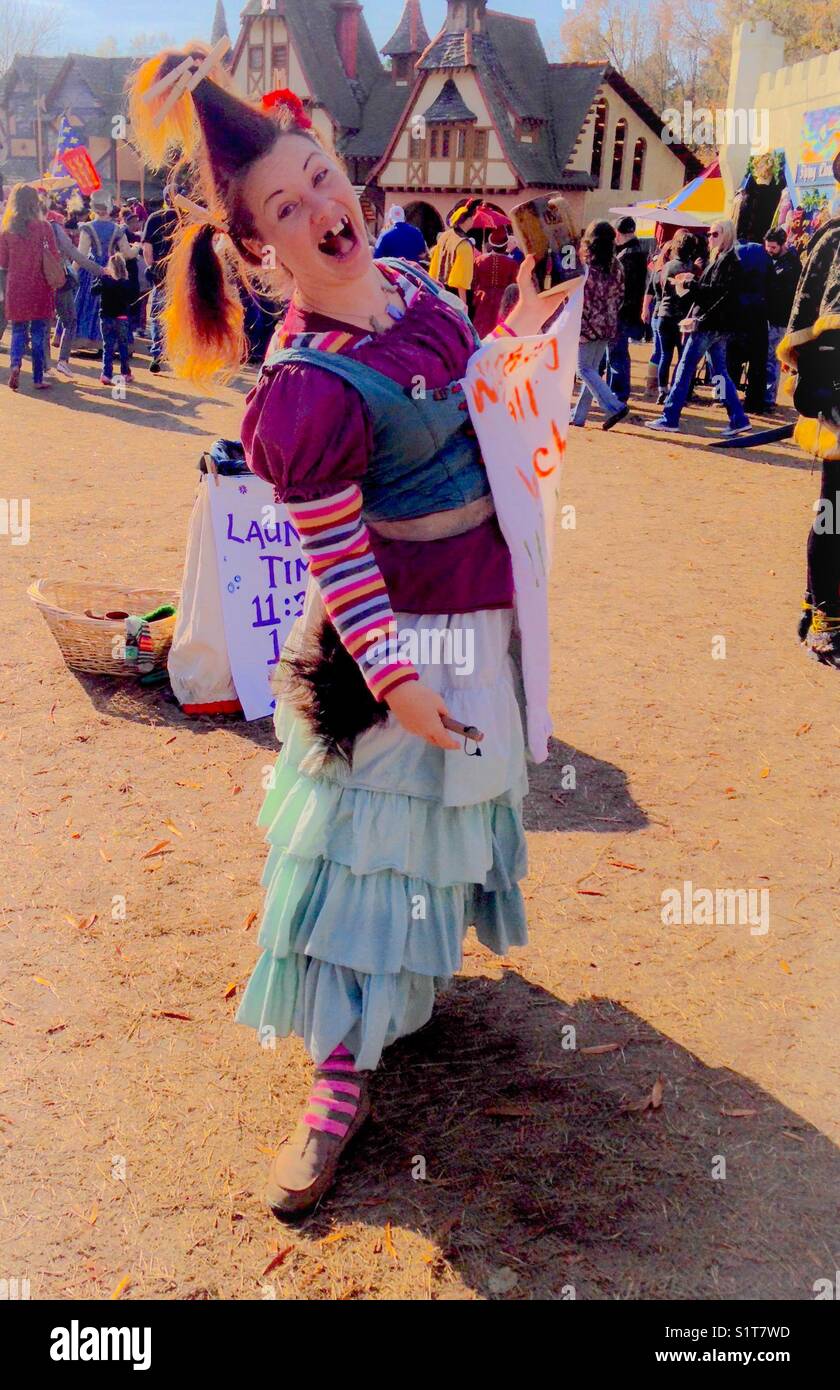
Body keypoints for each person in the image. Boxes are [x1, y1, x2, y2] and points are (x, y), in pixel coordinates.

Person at [128, 43, 573, 1218]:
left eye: (321, 176)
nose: (322, 206)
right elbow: (334, 555)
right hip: (395, 648)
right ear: (258, 247)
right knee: (357, 845)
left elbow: (478, 390)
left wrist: (518, 341)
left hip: (481, 611)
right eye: (287, 204)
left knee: (436, 830)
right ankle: (335, 1080)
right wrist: (393, 679)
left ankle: (404, 994)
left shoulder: (418, 290)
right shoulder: (306, 391)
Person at [777, 153, 840, 669]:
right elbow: (822, 325)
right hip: (839, 399)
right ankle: (825, 618)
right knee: (835, 512)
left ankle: (814, 603)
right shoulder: (836, 238)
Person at [647, 218, 751, 437]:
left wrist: (689, 284)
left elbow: (716, 294)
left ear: (727, 235)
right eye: (710, 234)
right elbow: (716, 293)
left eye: (715, 234)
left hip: (709, 324)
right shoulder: (724, 259)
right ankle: (737, 417)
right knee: (719, 373)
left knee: (685, 369)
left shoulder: (727, 261)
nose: (710, 237)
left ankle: (670, 416)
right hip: (716, 325)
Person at [570, 219, 628, 430]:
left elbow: (579, 297)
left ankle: (614, 406)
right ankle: (579, 416)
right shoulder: (617, 266)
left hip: (587, 325)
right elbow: (621, 295)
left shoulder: (585, 267)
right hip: (608, 324)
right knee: (592, 370)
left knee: (583, 369)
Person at [0, 183, 59, 390]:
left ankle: (15, 364)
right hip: (40, 285)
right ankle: (37, 378)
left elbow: (3, 262)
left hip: (16, 284)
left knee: (17, 329)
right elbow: (54, 257)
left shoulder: (7, 230)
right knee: (39, 333)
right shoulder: (45, 228)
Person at [74, 197, 137, 351]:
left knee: (88, 302)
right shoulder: (117, 229)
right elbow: (127, 253)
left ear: (93, 209)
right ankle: (112, 341)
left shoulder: (87, 228)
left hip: (91, 270)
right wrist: (137, 247)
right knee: (114, 304)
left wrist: (71, 272)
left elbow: (81, 255)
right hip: (112, 269)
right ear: (109, 209)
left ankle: (85, 339)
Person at [726, 235, 773, 414]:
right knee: (758, 363)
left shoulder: (737, 256)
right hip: (759, 315)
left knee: (728, 361)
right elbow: (771, 288)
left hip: (736, 315)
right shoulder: (763, 258)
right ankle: (755, 402)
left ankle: (724, 396)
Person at [654, 230, 699, 404]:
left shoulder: (667, 265)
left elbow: (658, 287)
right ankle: (677, 390)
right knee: (683, 357)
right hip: (682, 317)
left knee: (665, 355)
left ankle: (662, 390)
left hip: (664, 313)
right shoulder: (691, 269)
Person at [606, 215, 648, 402]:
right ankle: (614, 391)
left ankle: (617, 393)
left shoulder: (626, 256)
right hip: (629, 310)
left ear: (617, 233)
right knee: (616, 353)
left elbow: (621, 287)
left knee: (617, 354)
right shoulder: (639, 252)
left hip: (621, 311)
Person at [763, 226, 801, 406]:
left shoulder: (792, 265)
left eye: (773, 247)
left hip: (780, 318)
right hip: (768, 316)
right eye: (767, 246)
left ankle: (769, 398)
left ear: (782, 245)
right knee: (766, 358)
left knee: (772, 359)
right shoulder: (773, 260)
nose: (769, 251)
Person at [141, 191, 179, 371]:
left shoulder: (154, 218)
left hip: (161, 273)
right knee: (181, 313)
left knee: (158, 314)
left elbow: (146, 248)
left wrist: (152, 267)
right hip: (182, 273)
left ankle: (158, 352)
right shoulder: (187, 220)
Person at [92, 250, 134, 385]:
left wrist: (100, 277)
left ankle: (106, 374)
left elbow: (93, 291)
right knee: (123, 346)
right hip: (121, 318)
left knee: (107, 346)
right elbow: (131, 298)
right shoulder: (126, 283)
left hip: (106, 317)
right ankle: (125, 373)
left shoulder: (104, 280)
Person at [428, 200, 479, 304]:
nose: (473, 220)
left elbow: (434, 268)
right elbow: (460, 281)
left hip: (438, 290)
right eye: (472, 217)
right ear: (467, 220)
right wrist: (463, 304)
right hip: (455, 295)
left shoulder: (444, 236)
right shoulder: (464, 244)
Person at [471, 227, 519, 336]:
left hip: (482, 299)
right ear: (506, 245)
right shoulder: (512, 263)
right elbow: (513, 286)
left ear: (491, 244)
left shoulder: (479, 260)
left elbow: (474, 282)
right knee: (499, 330)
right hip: (503, 301)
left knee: (480, 331)